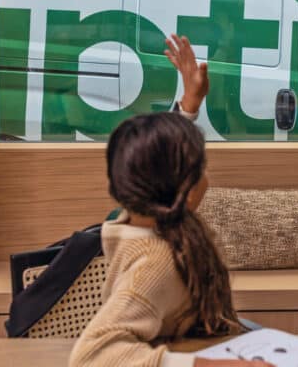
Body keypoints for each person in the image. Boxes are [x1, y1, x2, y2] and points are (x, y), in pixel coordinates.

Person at [70, 34, 272, 367]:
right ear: (183, 190)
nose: (206, 175)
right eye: (200, 167)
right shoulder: (156, 262)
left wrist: (189, 104)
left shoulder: (141, 217)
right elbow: (92, 355)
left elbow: (155, 164)